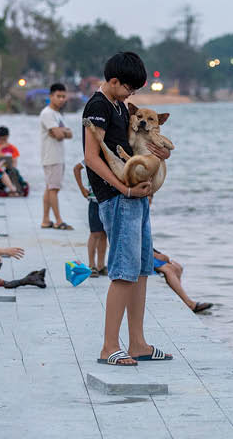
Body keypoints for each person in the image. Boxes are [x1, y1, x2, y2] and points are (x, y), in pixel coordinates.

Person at [83, 52, 171, 366]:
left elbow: (134, 148)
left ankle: (138, 343)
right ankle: (109, 347)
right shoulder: (98, 106)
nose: (130, 94)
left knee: (142, 269)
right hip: (118, 198)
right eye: (128, 88)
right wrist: (124, 188)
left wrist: (159, 155)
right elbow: (92, 157)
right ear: (114, 80)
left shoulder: (121, 106)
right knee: (122, 272)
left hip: (138, 198)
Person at [40, 83, 73, 229]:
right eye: (58, 96)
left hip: (58, 156)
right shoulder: (47, 113)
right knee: (54, 189)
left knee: (50, 188)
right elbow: (60, 135)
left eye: (63, 96)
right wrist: (62, 131)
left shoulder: (58, 114)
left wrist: (61, 131)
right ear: (51, 96)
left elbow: (69, 134)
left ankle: (46, 220)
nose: (61, 99)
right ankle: (59, 220)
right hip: (51, 156)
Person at [151, 249, 212, 314]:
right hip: (143, 254)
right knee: (169, 270)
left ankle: (179, 299)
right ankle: (190, 304)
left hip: (147, 252)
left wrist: (158, 253)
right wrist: (156, 255)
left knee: (178, 268)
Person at [74, 161, 106, 276]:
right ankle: (91, 265)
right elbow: (76, 168)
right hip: (95, 200)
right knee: (95, 233)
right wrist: (82, 188)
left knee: (104, 234)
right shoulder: (91, 156)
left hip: (107, 200)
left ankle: (101, 265)